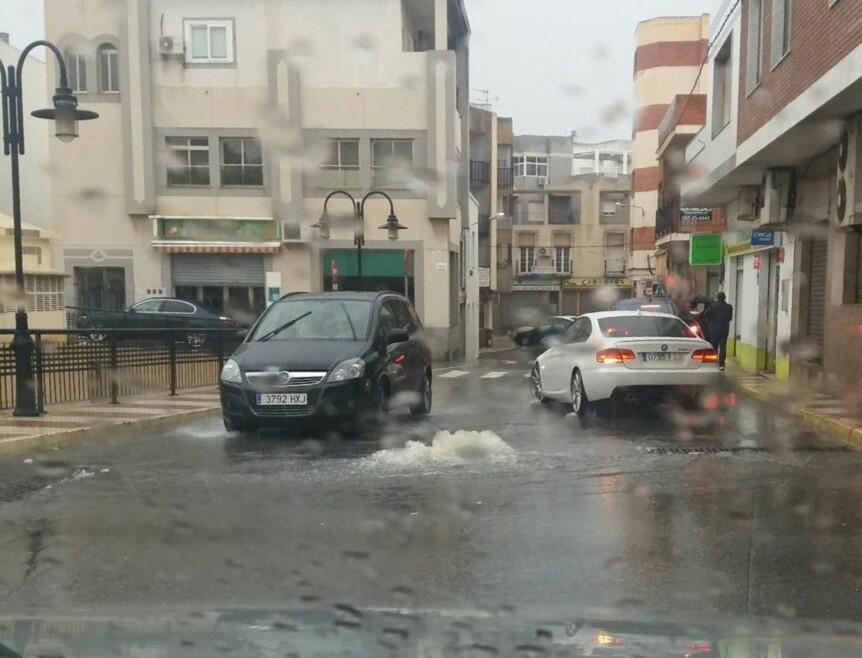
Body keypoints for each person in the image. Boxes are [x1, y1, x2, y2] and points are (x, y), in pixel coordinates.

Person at [701, 292, 733, 370]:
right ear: (724, 298)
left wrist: (709, 321)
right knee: (723, 347)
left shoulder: (712, 306)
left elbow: (705, 315)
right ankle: (721, 364)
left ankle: (714, 362)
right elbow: (730, 318)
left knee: (714, 346)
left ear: (717, 298)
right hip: (724, 330)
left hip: (713, 330)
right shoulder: (729, 307)